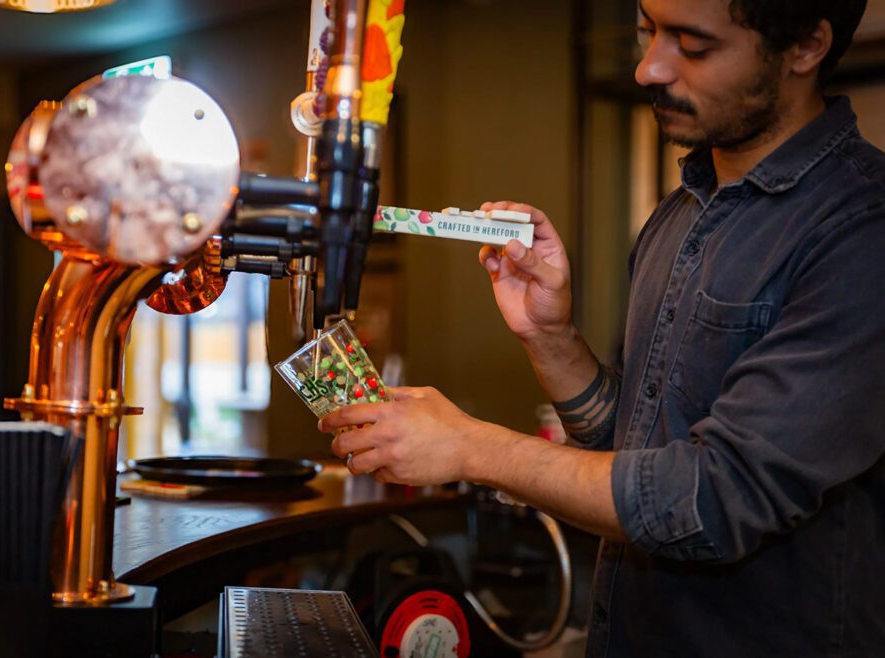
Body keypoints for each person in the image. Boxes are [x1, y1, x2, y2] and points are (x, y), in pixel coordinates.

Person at [320, 0, 885, 655]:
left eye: (693, 45)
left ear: (806, 46)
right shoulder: (677, 216)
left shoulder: (860, 233)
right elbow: (636, 449)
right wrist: (551, 338)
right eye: (648, 31)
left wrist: (473, 449)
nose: (649, 68)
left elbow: (711, 499)